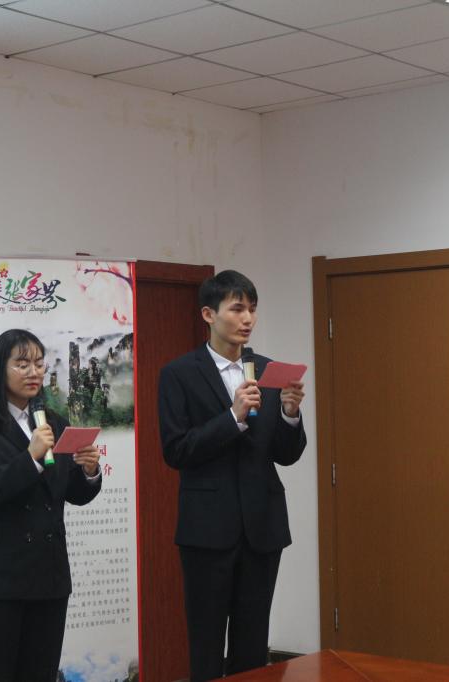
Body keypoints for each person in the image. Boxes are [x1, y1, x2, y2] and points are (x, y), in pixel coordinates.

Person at [157, 270, 306, 681]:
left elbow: (287, 454)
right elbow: (176, 450)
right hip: (207, 531)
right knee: (206, 645)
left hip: (263, 528)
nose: (248, 319)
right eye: (237, 308)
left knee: (253, 645)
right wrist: (233, 417)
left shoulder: (270, 370)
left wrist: (290, 414)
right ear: (209, 314)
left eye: (252, 309)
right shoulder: (179, 374)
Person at [0, 328, 102, 682]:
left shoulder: (55, 423)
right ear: (0, 370)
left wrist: (90, 471)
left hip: (49, 578)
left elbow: (73, 493)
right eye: (22, 364)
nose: (34, 372)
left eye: (38, 363)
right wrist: (31, 458)